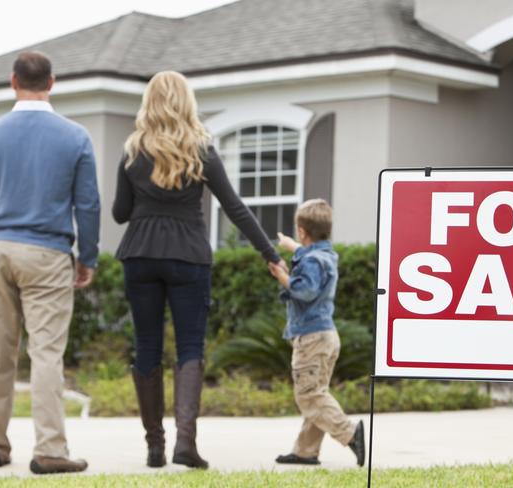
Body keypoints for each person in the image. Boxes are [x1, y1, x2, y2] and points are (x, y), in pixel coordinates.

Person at [113, 71, 284, 470]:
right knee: (191, 347)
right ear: (187, 102)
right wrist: (270, 255)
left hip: (139, 253)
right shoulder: (201, 150)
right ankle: (184, 444)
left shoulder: (132, 151)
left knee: (147, 346)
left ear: (149, 102)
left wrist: (145, 201)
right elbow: (235, 207)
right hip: (188, 255)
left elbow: (120, 214)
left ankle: (154, 446)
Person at [0, 51, 100, 474]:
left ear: (12, 81)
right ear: (51, 83)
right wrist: (86, 256)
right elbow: (88, 204)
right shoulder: (75, 137)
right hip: (48, 252)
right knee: (47, 353)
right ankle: (50, 449)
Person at [268, 199, 365, 467]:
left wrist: (282, 276)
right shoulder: (326, 255)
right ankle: (305, 451)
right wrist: (293, 247)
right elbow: (311, 257)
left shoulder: (312, 261)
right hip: (325, 336)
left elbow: (305, 290)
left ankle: (350, 433)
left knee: (309, 395)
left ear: (302, 230)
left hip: (311, 337)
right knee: (316, 391)